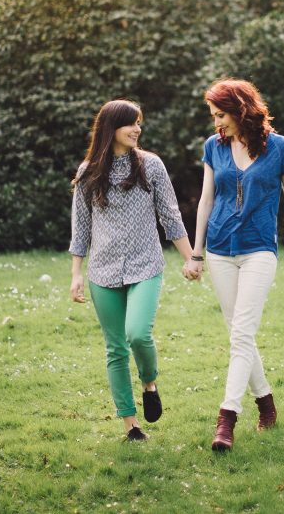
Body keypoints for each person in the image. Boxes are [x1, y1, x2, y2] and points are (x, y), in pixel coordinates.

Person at [185, 78, 284, 452]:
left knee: (242, 333)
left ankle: (227, 418)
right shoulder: (213, 147)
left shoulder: (281, 148)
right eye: (213, 116)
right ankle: (266, 403)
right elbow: (206, 200)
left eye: (221, 115)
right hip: (218, 248)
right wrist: (196, 254)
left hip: (260, 248)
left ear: (241, 110)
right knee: (239, 333)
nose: (217, 123)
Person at [69, 99, 201, 442]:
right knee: (115, 348)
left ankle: (150, 382)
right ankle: (131, 426)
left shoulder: (151, 166)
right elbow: (81, 227)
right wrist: (76, 274)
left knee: (138, 334)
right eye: (131, 123)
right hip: (103, 270)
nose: (137, 129)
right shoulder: (88, 172)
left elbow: (170, 215)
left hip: (145, 264)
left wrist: (190, 258)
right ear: (111, 127)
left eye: (139, 123)